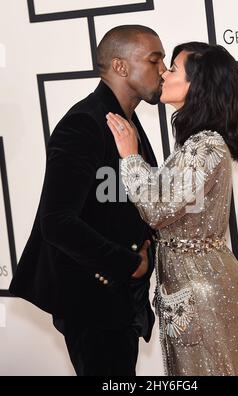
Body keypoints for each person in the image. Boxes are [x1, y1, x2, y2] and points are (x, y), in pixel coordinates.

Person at [9, 25, 166, 376]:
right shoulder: (83, 123)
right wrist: (130, 264)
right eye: (154, 60)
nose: (163, 70)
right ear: (120, 66)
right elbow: (57, 222)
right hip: (90, 299)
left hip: (118, 300)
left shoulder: (127, 122)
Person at [106, 42, 238, 376]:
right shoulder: (193, 142)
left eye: (172, 68)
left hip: (203, 290)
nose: (163, 73)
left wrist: (130, 158)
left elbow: (158, 210)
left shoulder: (207, 144)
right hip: (186, 286)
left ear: (197, 85)